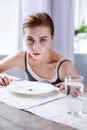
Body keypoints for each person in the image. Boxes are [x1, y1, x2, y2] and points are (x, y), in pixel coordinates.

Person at [0, 12, 85, 94]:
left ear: (52, 38)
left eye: (43, 39)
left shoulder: (63, 66)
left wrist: (76, 87)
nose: (35, 47)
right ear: (23, 37)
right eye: (30, 39)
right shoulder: (21, 57)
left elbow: (84, 89)